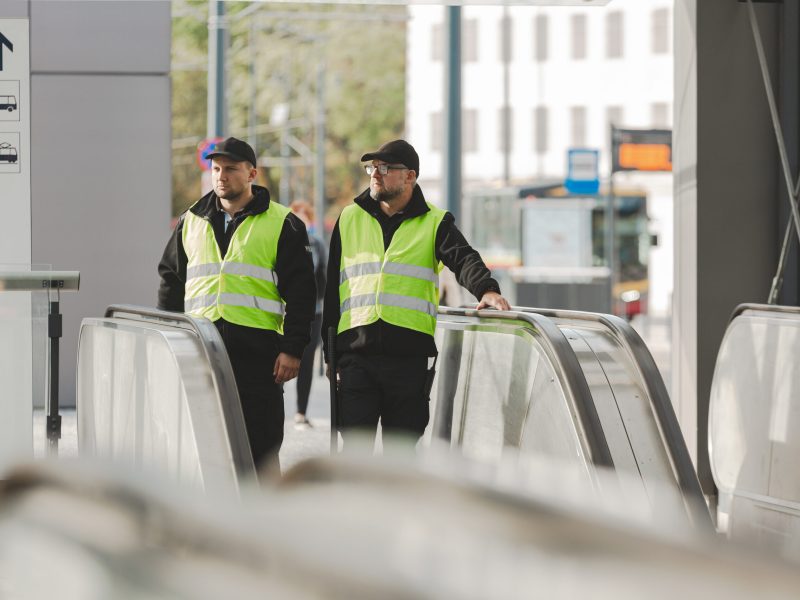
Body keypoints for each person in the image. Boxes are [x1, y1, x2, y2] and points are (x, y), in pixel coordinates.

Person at [322, 139, 510, 447]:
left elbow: (463, 258)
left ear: (410, 176)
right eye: (372, 167)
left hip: (407, 362)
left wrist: (487, 290)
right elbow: (334, 288)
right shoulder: (349, 217)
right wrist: (330, 353)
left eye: (385, 168)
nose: (375, 174)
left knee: (402, 461)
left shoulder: (435, 222)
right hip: (357, 357)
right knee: (354, 462)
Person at [157, 137, 316, 471]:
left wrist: (292, 349)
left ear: (252, 173)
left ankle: (260, 516)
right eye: (216, 169)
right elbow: (171, 282)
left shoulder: (283, 223)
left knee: (261, 444)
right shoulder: (191, 221)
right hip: (201, 349)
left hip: (259, 354)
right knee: (203, 442)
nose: (221, 176)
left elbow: (302, 292)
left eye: (231, 169)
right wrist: (168, 342)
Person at [289, 200, 327, 430]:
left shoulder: (318, 245)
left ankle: (301, 412)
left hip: (315, 312)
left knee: (306, 362)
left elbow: (324, 275)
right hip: (286, 312)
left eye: (305, 219)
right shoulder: (283, 242)